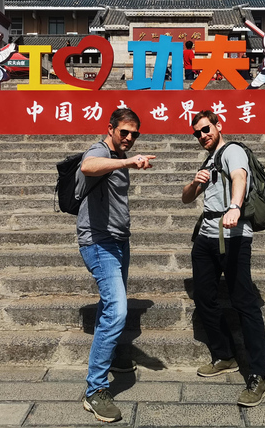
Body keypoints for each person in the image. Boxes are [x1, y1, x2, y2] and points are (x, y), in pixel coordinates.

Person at [181, 110, 265, 408]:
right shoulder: (207, 161)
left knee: (244, 303)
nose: (203, 135)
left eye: (206, 129)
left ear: (219, 126)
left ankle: (257, 375)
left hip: (234, 237)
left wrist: (234, 205)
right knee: (204, 298)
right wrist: (195, 183)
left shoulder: (233, 151)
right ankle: (224, 355)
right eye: (197, 133)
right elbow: (185, 198)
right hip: (206, 238)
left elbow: (240, 177)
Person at [77, 108, 155, 423]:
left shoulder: (118, 155)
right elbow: (87, 165)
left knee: (110, 305)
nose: (129, 139)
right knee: (118, 309)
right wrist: (126, 161)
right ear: (110, 129)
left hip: (119, 241)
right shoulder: (100, 150)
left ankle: (112, 357)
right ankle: (95, 390)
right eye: (124, 132)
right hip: (98, 242)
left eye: (134, 134)